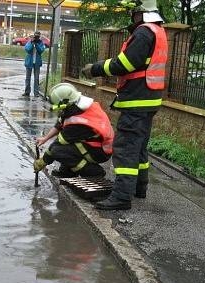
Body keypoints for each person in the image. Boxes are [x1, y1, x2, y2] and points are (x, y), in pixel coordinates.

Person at [81, 0, 167, 210]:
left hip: (137, 100)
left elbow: (125, 64)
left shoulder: (143, 33)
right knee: (138, 147)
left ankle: (121, 197)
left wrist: (96, 68)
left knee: (126, 149)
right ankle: (139, 188)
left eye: (133, 12)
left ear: (140, 12)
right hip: (149, 99)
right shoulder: (158, 31)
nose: (132, 16)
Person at [33, 83, 114, 178]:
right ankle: (67, 172)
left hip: (100, 152)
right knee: (66, 147)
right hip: (93, 144)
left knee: (58, 151)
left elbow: (59, 142)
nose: (58, 110)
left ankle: (94, 172)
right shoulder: (76, 105)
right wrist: (45, 138)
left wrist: (44, 161)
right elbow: (60, 124)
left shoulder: (78, 123)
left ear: (65, 104)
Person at [23, 31, 46, 97]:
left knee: (36, 78)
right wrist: (31, 42)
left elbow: (41, 51)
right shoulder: (30, 42)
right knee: (28, 78)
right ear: (34, 36)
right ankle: (27, 92)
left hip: (37, 63)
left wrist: (36, 44)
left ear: (39, 37)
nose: (36, 38)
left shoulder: (41, 43)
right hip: (29, 62)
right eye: (35, 36)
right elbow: (27, 49)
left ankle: (36, 93)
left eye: (38, 36)